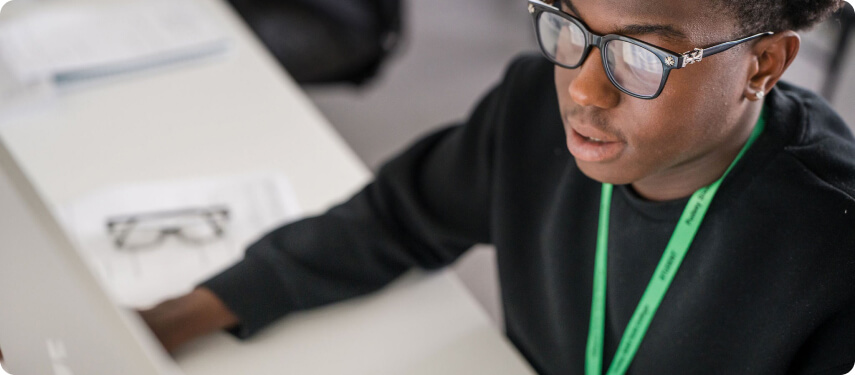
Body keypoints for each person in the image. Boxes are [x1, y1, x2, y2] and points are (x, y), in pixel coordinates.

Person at [135, 0, 855, 373]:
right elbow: (394, 218)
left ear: (763, 64)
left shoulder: (831, 250)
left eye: (641, 55)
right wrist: (167, 322)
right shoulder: (529, 111)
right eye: (570, 26)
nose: (583, 88)